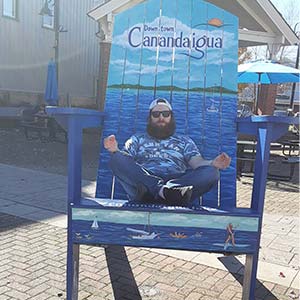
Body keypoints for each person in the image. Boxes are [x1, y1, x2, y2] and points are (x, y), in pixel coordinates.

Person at [104, 98, 231, 207]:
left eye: (165, 114)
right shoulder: (137, 139)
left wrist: (212, 163)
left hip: (178, 185)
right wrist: (115, 150)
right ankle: (160, 191)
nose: (161, 118)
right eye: (156, 114)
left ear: (171, 117)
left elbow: (197, 162)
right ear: (150, 118)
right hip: (143, 186)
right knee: (116, 158)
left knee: (212, 172)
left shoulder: (184, 141)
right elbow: (126, 161)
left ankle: (166, 191)